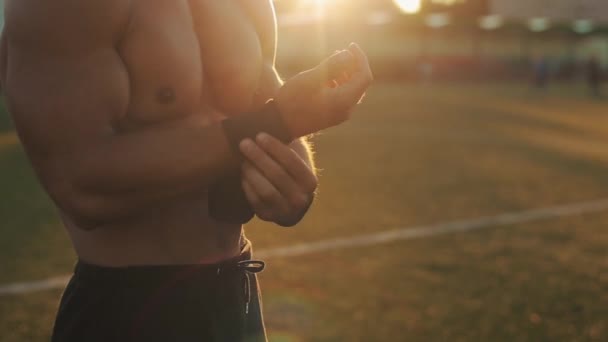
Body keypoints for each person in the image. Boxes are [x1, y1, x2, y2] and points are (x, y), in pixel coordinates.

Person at [0, 1, 373, 341]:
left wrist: (293, 185)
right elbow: (82, 185)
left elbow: (271, 116)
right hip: (128, 308)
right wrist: (279, 120)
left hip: (236, 295)